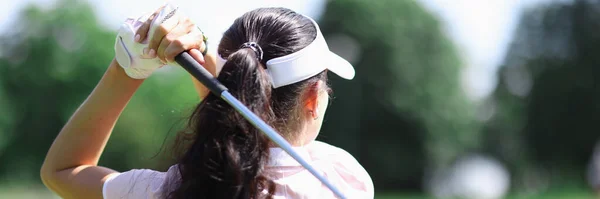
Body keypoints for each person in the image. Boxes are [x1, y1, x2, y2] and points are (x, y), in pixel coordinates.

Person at [40, 4, 374, 199]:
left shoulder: (168, 189)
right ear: (314, 99)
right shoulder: (343, 177)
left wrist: (128, 68)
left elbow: (63, 170)